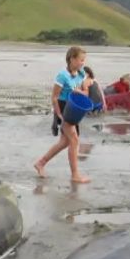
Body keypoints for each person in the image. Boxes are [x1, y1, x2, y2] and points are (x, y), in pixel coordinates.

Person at [34, 46, 91, 184]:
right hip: (63, 108)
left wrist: (79, 92)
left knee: (65, 142)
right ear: (72, 59)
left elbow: (86, 93)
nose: (83, 63)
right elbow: (54, 97)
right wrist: (59, 115)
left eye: (84, 60)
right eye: (80, 60)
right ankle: (75, 175)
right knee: (74, 140)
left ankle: (41, 163)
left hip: (74, 109)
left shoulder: (81, 73)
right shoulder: (62, 76)